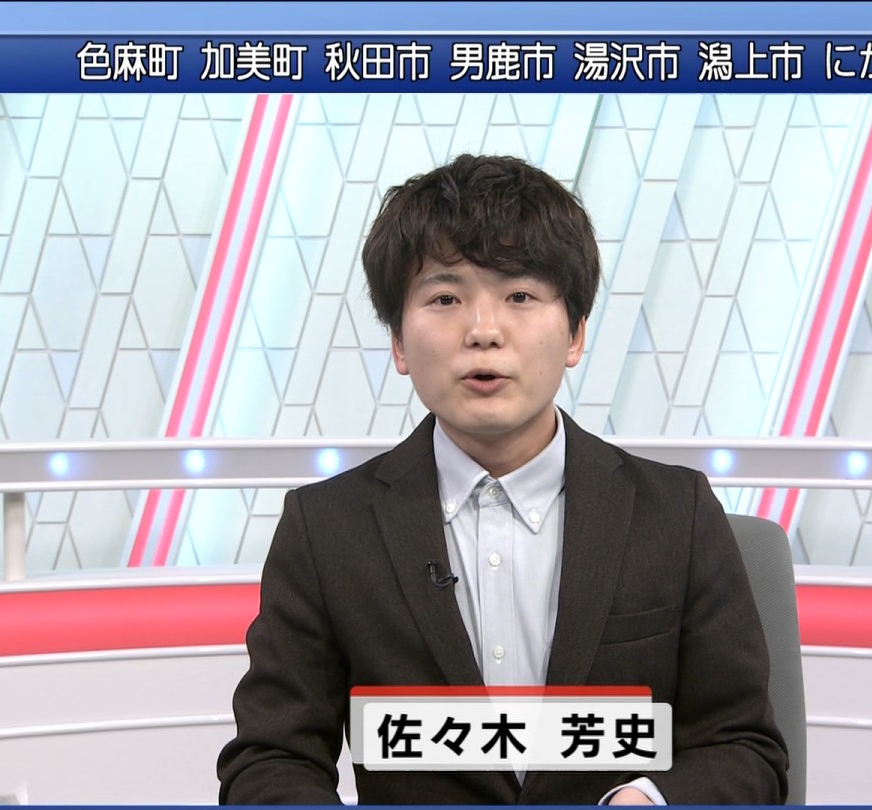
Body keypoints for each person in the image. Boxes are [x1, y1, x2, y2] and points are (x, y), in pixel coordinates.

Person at [217, 154, 787, 804]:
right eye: (445, 298)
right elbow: (270, 761)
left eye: (519, 296)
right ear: (399, 342)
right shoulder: (325, 530)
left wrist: (649, 802)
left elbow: (745, 749)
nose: (483, 331)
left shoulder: (675, 514)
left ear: (574, 334)